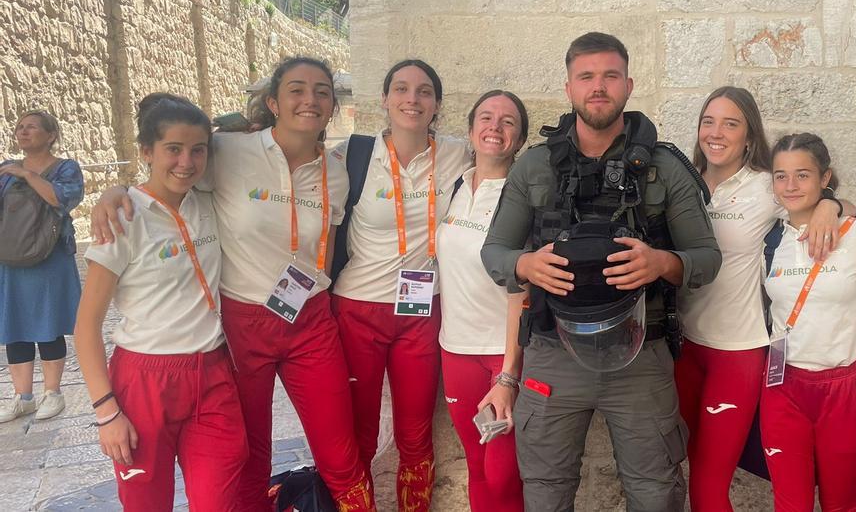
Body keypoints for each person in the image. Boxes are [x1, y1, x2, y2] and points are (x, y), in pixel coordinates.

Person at [91, 58, 374, 511]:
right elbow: (174, 165)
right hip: (242, 327)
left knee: (339, 451)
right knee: (250, 456)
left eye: (323, 91)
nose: (311, 100)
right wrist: (117, 191)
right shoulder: (229, 151)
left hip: (311, 319)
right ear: (272, 102)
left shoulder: (336, 171)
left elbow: (329, 245)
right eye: (297, 89)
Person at [481, 32, 722, 511]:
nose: (598, 87)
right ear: (569, 88)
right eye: (586, 77)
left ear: (628, 85)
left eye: (610, 76)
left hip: (642, 358)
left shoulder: (663, 168)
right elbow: (495, 252)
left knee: (655, 493)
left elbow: (707, 258)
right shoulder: (534, 167)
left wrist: (662, 263)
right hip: (552, 352)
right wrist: (526, 264)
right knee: (546, 495)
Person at [75, 93, 247, 511]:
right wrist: (107, 413)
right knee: (147, 503)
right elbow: (85, 328)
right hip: (144, 380)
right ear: (146, 152)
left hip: (213, 373)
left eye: (197, 150)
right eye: (173, 149)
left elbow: (251, 138)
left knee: (219, 501)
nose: (186, 162)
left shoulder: (207, 201)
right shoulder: (122, 218)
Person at [675, 87, 843, 511]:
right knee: (687, 470)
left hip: (737, 353)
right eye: (708, 122)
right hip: (682, 349)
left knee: (709, 487)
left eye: (731, 124)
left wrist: (831, 206)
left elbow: (813, 200)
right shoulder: (682, 182)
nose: (716, 133)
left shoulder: (765, 187)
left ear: (749, 137)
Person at [330, 59, 472, 510]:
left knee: (415, 433)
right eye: (402, 89)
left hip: (422, 313)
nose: (412, 99)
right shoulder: (350, 155)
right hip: (357, 309)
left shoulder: (457, 153)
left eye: (424, 91)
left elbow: (507, 157)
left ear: (436, 104)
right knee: (360, 431)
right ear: (386, 99)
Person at [759, 133, 856, 512]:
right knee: (790, 505)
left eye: (802, 175)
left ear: (825, 178)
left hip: (842, 388)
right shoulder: (769, 238)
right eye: (781, 176)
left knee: (842, 504)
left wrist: (834, 207)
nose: (790, 186)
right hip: (782, 386)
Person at [437, 90, 529, 512]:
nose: (495, 127)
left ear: (520, 138)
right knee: (475, 466)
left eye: (508, 121)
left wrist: (508, 375)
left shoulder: (521, 194)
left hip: (503, 354)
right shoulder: (452, 184)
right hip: (455, 349)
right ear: (471, 129)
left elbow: (521, 288)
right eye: (487, 118)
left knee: (502, 473)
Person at [0, 110, 83, 423]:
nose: (23, 131)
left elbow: (61, 199)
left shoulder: (66, 169)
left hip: (50, 257)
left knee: (47, 324)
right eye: (20, 127)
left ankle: (53, 392)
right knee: (15, 326)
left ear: (50, 135)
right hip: (11, 256)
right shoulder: (6, 170)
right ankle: (22, 397)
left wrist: (27, 176)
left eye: (31, 127)